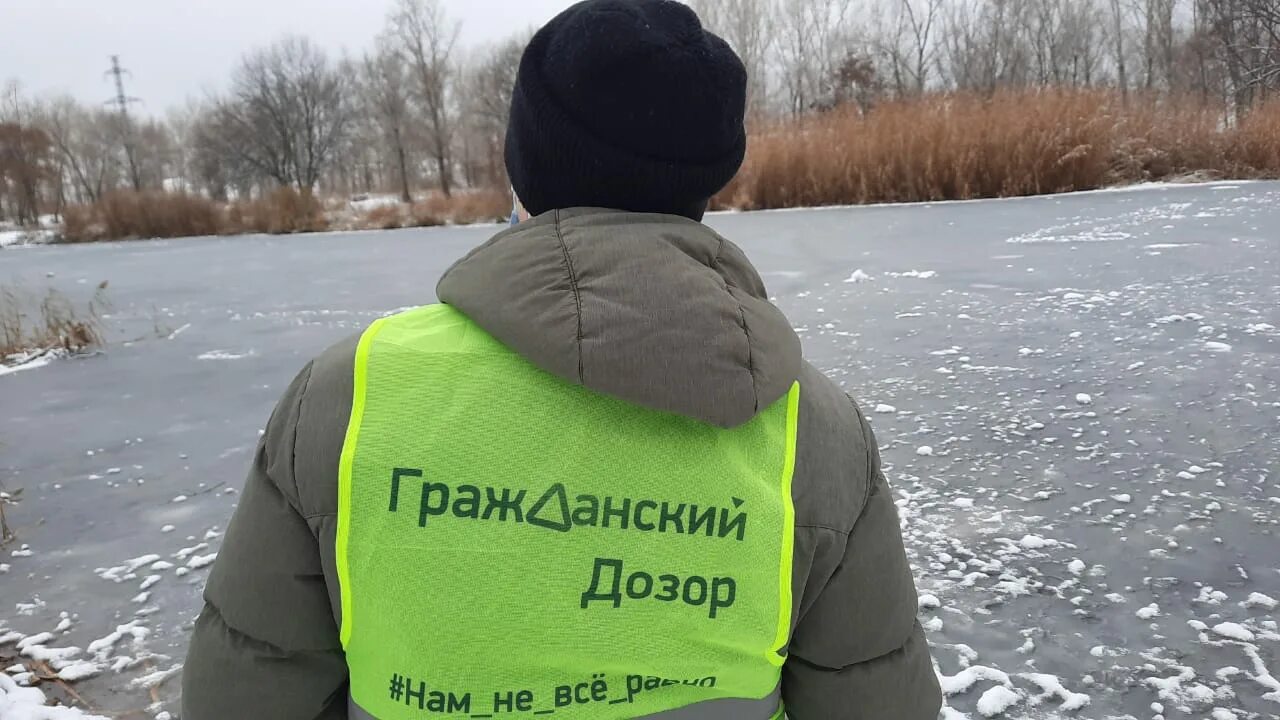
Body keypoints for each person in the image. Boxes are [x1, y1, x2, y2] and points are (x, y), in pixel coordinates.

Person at [181, 1, 941, 718]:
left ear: (525, 162)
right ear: (709, 176)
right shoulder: (819, 430)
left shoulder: (345, 396)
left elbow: (243, 694)